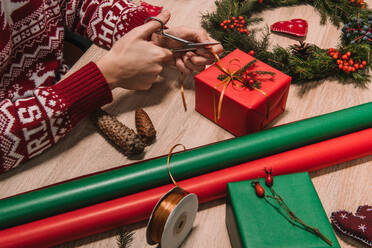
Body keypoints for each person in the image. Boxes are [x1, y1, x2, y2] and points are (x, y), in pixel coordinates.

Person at [0, 1, 223, 173]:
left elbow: (73, 5)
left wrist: (152, 35)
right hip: (28, 161)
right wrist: (103, 78)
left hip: (67, 103)